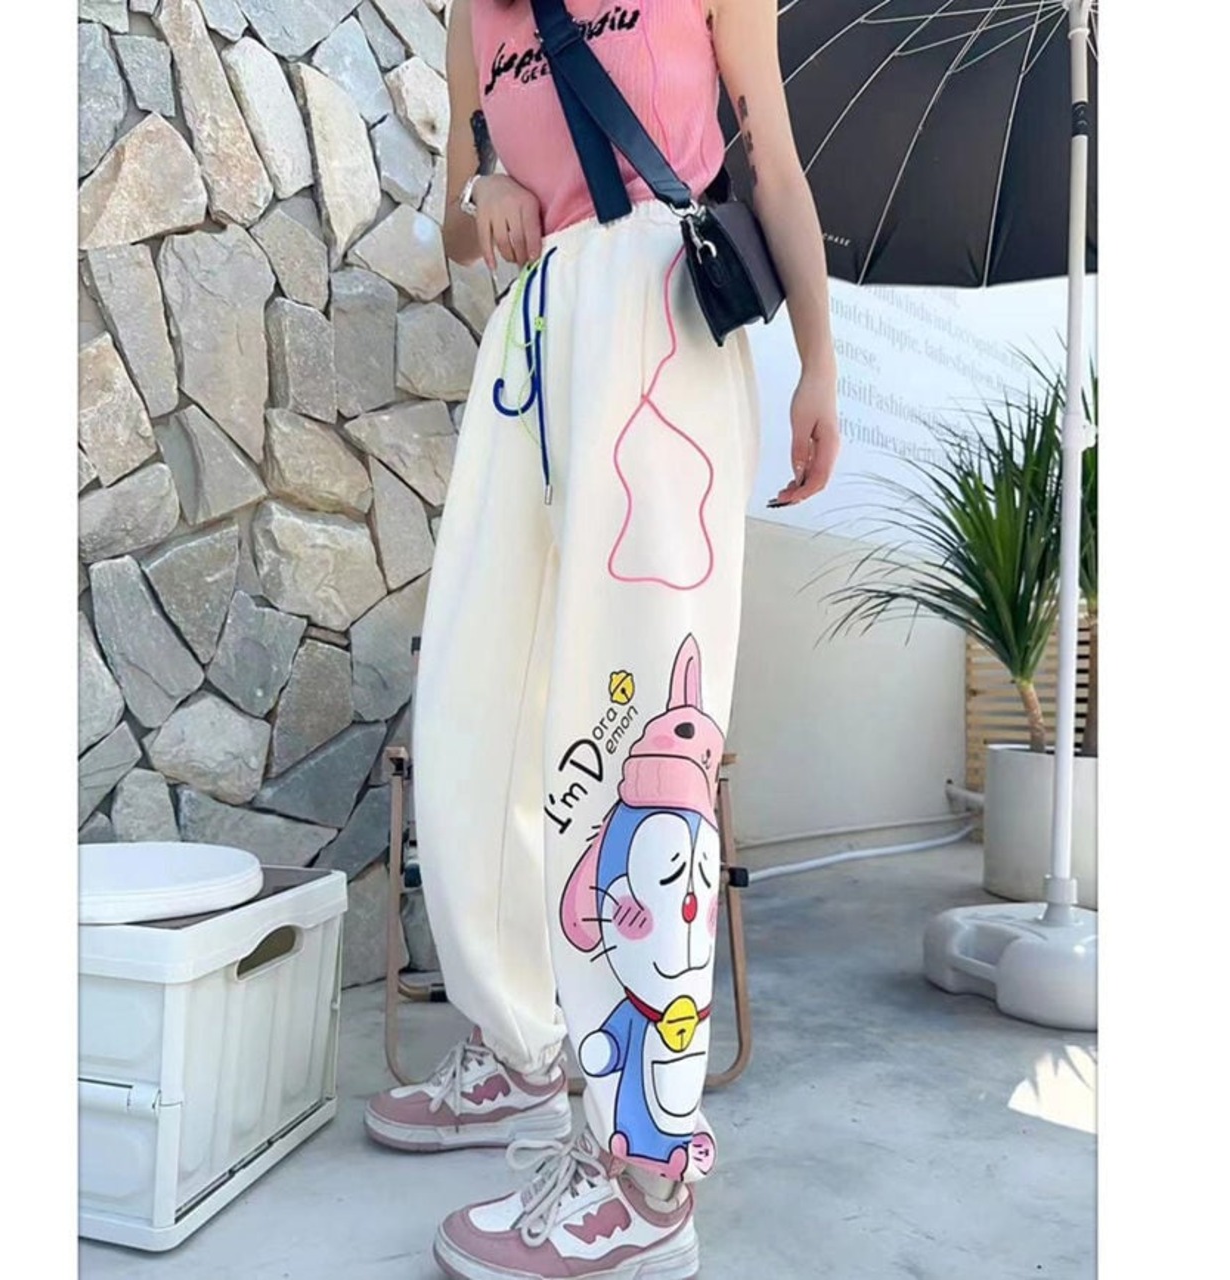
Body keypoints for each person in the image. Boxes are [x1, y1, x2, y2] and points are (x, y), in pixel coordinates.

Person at [364, 1, 839, 1276]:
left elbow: (772, 159)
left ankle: (645, 1165)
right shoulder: (475, 13)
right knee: (476, 697)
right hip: (532, 338)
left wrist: (818, 363)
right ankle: (522, 1045)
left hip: (662, 316)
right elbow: (459, 223)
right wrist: (483, 191)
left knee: (633, 733)